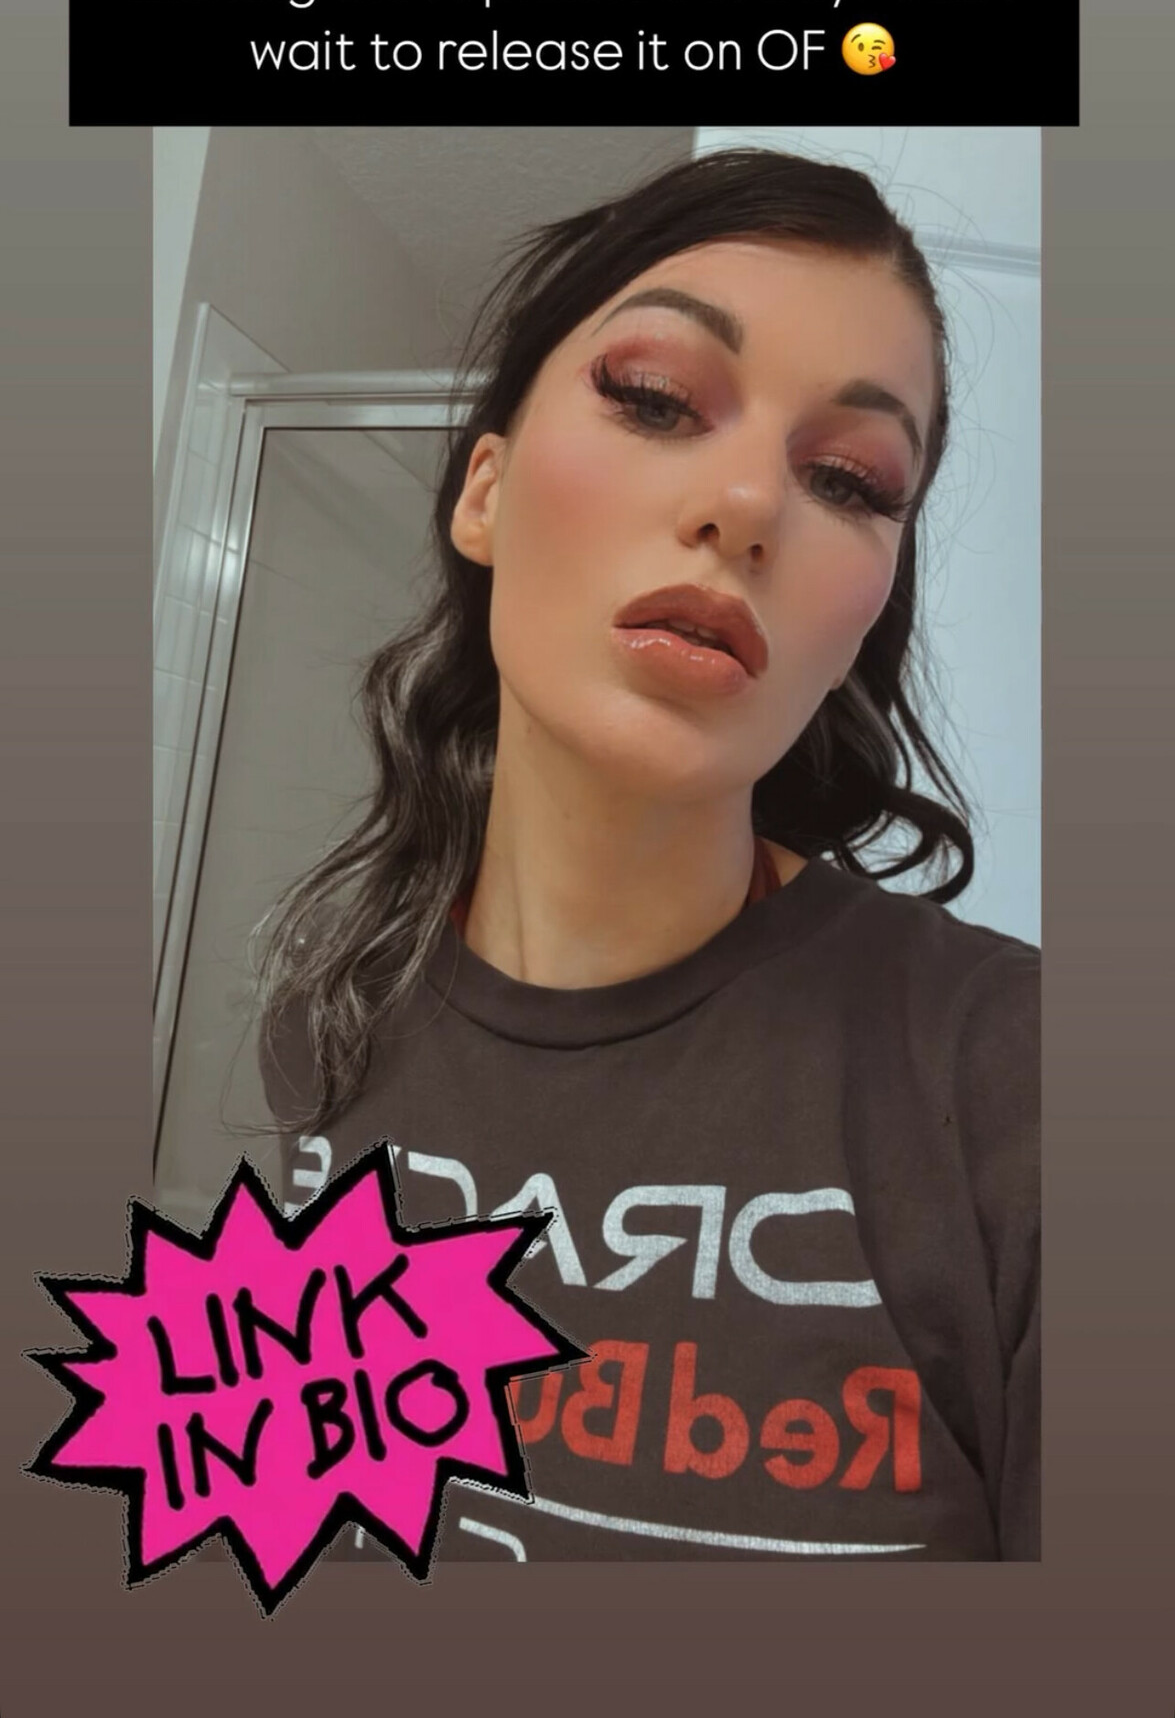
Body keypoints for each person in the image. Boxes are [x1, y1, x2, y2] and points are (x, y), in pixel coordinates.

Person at [259, 147, 1039, 1563]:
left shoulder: (1027, 1083)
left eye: (850, 480)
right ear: (484, 493)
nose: (747, 505)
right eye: (657, 398)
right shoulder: (334, 1013)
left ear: (864, 617)